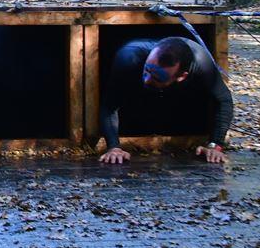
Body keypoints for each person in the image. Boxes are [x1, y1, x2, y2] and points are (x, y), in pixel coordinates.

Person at [98, 37, 234, 165]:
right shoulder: (129, 57)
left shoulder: (202, 64)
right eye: (146, 70)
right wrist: (113, 147)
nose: (147, 79)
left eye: (157, 77)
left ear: (182, 76)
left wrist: (215, 145)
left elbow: (223, 100)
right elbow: (110, 105)